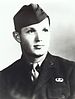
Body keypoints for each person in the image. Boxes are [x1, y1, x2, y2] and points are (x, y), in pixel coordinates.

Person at [0, 3, 75, 99]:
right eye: (31, 31)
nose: (39, 38)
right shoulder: (4, 78)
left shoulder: (70, 71)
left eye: (44, 30)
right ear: (17, 36)